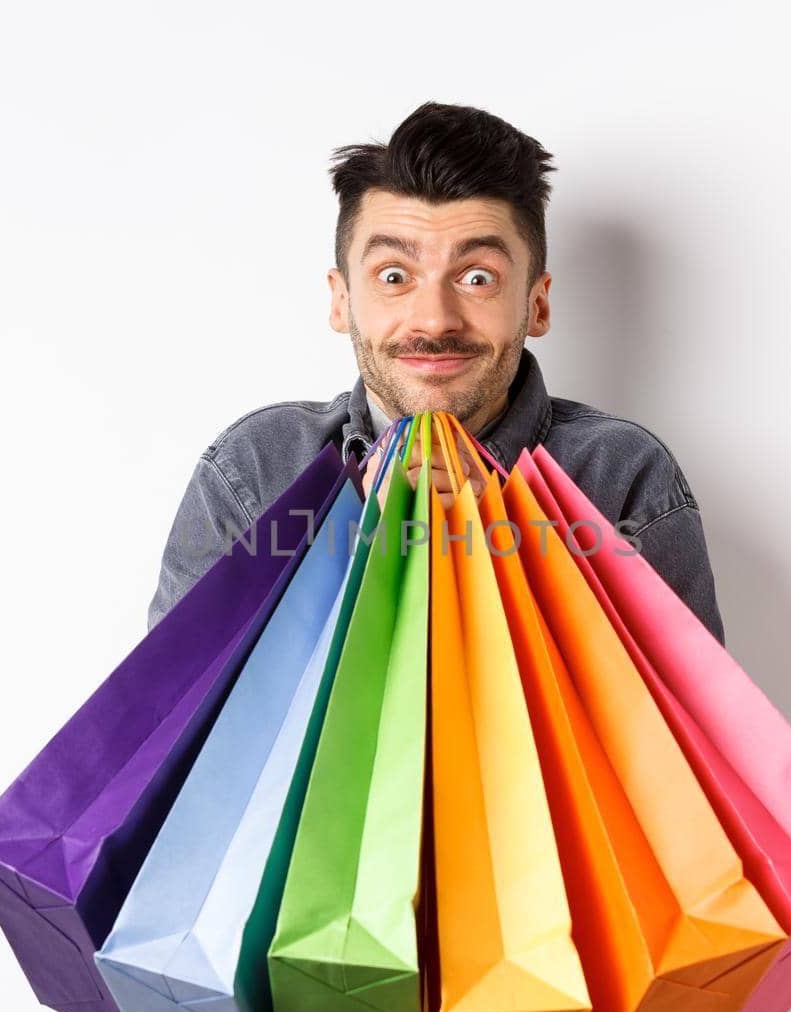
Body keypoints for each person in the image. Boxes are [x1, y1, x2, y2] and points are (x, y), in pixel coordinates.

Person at [146, 101, 726, 645]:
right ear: (342, 300)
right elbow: (169, 727)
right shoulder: (255, 471)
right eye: (394, 275)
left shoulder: (622, 476)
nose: (435, 319)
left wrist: (505, 554)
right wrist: (346, 556)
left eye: (478, 277)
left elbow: (684, 740)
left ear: (537, 304)